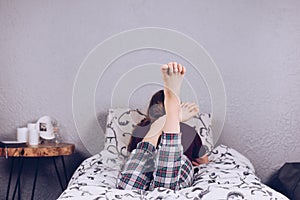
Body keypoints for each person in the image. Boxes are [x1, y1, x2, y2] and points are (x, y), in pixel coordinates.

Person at [117, 62, 208, 191]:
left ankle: (166, 120)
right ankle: (172, 115)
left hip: (149, 164)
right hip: (174, 168)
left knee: (127, 187)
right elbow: (204, 161)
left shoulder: (142, 128)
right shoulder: (188, 131)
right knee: (166, 186)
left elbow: (132, 153)